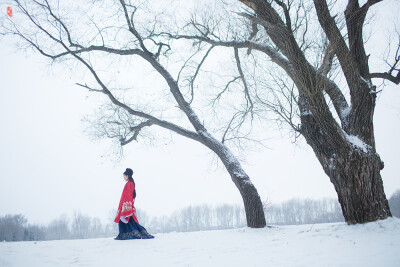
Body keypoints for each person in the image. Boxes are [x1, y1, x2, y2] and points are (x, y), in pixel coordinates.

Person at [114, 168, 154, 240]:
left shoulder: (130, 184)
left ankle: (131, 234)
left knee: (128, 220)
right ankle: (128, 234)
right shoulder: (130, 183)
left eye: (124, 176)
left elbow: (128, 195)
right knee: (130, 221)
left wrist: (126, 208)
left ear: (128, 176)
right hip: (126, 204)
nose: (124, 178)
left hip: (126, 206)